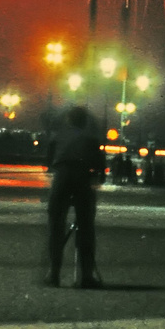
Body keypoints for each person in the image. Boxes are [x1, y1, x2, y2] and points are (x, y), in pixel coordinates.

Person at [45, 105, 105, 288]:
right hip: (82, 176)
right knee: (86, 226)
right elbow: (99, 163)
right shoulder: (90, 137)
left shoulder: (59, 135)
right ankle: (86, 275)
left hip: (62, 175)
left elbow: (48, 160)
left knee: (56, 225)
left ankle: (54, 273)